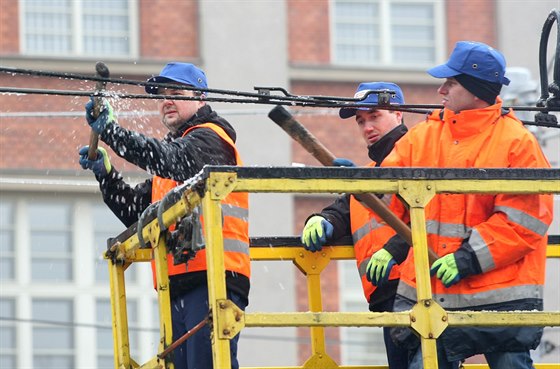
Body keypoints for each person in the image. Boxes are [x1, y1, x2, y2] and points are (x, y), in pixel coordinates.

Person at [370, 41, 553, 369]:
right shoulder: (423, 135)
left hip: (499, 299)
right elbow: (393, 198)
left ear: (476, 89)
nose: (441, 90)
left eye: (451, 83)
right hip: (435, 297)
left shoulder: (516, 143)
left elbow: (525, 220)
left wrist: (468, 258)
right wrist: (360, 183)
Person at [78, 62, 250, 369]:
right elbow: (134, 211)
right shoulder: (173, 161)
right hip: (178, 284)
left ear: (200, 97)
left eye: (176, 92)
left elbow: (168, 158)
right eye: (162, 95)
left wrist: (112, 133)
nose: (166, 100)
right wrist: (105, 174)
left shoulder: (211, 139)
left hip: (213, 280)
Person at [301, 82, 409, 369]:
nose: (367, 127)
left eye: (374, 116)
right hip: (389, 295)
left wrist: (393, 250)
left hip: (418, 290)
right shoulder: (372, 173)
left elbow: (435, 220)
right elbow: (343, 211)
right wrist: (321, 221)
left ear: (398, 114)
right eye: (361, 121)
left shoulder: (416, 157)